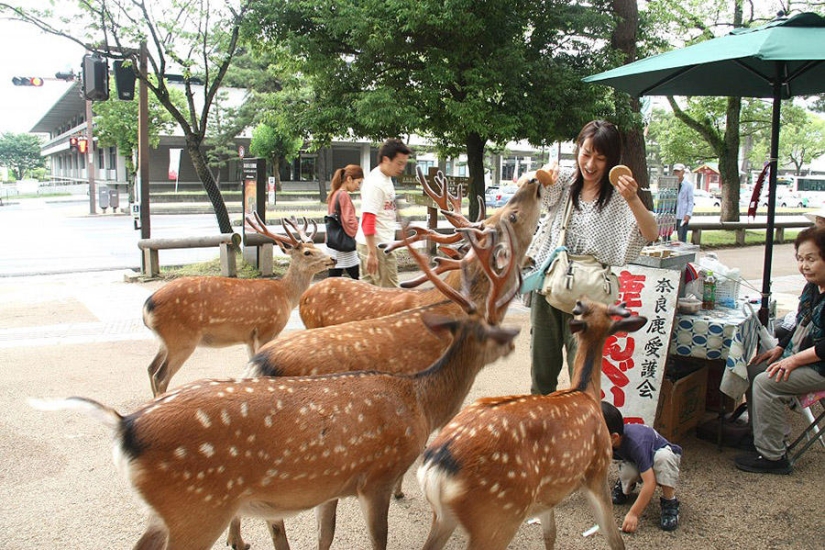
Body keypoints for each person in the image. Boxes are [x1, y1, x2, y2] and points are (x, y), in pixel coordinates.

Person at [525, 120, 658, 395]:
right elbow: (534, 194)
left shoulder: (620, 195)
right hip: (550, 286)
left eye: (600, 158)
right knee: (542, 377)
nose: (590, 164)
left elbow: (651, 232)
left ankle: (579, 435)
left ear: (611, 160)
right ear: (578, 149)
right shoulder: (565, 181)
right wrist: (540, 177)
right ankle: (539, 434)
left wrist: (633, 199)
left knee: (583, 381)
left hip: (591, 297)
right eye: (586, 153)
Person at [735, 226, 825, 474]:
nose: (804, 265)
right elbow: (799, 322)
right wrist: (780, 349)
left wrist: (793, 361)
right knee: (755, 369)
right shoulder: (811, 287)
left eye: (811, 259)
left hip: (820, 368)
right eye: (800, 259)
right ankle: (764, 435)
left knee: (767, 382)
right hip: (803, 357)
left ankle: (773, 457)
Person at [602, 401, 683, 533]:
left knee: (663, 459)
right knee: (628, 471)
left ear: (614, 437)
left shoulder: (636, 444)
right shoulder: (611, 440)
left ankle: (669, 501)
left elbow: (649, 483)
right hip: (635, 459)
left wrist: (634, 513)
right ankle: (626, 487)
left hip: (662, 454)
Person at [355, 138, 412, 287]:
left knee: (369, 293)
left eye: (404, 164)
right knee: (390, 295)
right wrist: (372, 253)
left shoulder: (385, 178)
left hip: (379, 244)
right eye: (399, 163)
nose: (402, 168)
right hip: (377, 246)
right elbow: (368, 219)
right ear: (386, 159)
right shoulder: (376, 184)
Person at [326, 164, 364, 279]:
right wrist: (361, 234)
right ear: (349, 179)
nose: (358, 186)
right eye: (358, 182)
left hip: (335, 243)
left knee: (334, 277)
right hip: (344, 245)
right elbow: (349, 220)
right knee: (358, 278)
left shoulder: (335, 193)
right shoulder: (343, 195)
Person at [674, 163, 693, 242]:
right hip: (671, 214)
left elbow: (690, 201)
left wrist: (688, 214)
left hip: (682, 214)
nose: (677, 173)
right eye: (675, 171)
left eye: (678, 171)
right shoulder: (671, 183)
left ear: (683, 172)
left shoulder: (688, 185)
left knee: (682, 237)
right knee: (666, 235)